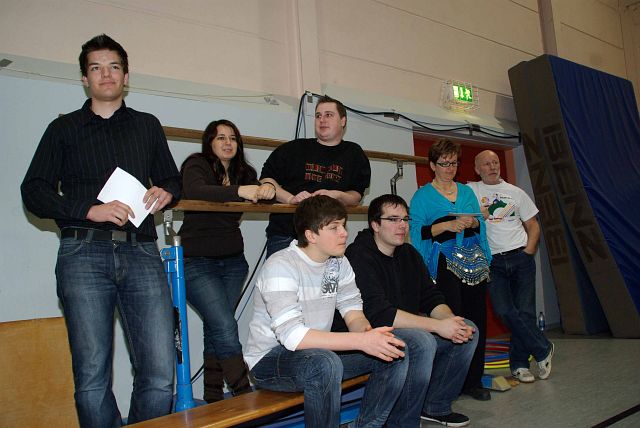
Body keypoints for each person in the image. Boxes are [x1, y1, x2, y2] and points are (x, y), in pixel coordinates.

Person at [21, 34, 179, 427]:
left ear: (126, 76)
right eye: (96, 68)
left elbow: (172, 179)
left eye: (114, 67)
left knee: (161, 374)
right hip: (83, 254)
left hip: (141, 252)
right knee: (92, 378)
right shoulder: (63, 128)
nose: (106, 74)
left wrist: (166, 192)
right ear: (84, 79)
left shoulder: (147, 125)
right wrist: (88, 210)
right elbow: (34, 191)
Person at [244, 195, 432, 427]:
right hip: (271, 360)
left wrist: (370, 336)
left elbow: (352, 308)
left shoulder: (338, 262)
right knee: (324, 363)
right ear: (311, 235)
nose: (344, 233)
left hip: (319, 353)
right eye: (334, 228)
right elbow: (293, 337)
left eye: (343, 225)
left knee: (392, 352)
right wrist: (361, 341)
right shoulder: (281, 266)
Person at [333, 193, 477, 427]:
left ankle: (435, 406)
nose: (402, 225)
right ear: (375, 225)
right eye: (393, 219)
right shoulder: (358, 255)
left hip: (402, 330)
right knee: (421, 341)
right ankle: (401, 422)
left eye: (405, 219)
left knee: (467, 329)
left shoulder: (409, 253)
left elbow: (431, 298)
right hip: (368, 335)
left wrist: (450, 321)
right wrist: (438, 326)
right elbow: (380, 314)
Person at [180, 119, 275, 402]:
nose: (227, 142)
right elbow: (195, 190)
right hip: (196, 262)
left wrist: (267, 188)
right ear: (209, 142)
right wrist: (239, 191)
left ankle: (212, 398)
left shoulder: (244, 172)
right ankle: (243, 392)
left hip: (233, 262)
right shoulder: (196, 164)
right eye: (220, 137)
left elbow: (264, 196)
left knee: (216, 327)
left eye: (232, 138)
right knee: (223, 325)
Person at [409, 139, 492, 401]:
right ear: (432, 165)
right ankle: (448, 383)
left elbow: (480, 226)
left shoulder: (466, 192)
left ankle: (473, 380)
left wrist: (472, 224)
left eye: (454, 163)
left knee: (477, 319)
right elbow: (416, 232)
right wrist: (446, 225)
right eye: (444, 163)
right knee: (452, 320)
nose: (450, 168)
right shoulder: (422, 196)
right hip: (444, 262)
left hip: (473, 260)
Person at [468, 150, 554, 383]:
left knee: (525, 312)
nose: (492, 167)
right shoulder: (471, 190)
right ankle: (543, 347)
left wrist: (528, 252)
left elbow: (533, 226)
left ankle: (519, 365)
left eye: (495, 162)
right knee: (504, 310)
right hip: (492, 262)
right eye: (486, 163)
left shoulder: (516, 193)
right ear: (477, 169)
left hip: (520, 257)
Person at [260, 95, 371, 257]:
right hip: (287, 234)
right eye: (318, 116)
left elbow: (356, 195)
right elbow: (266, 179)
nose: (322, 120)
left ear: (343, 121)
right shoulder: (294, 148)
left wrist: (337, 195)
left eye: (328, 115)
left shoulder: (354, 153)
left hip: (328, 237)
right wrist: (290, 199)